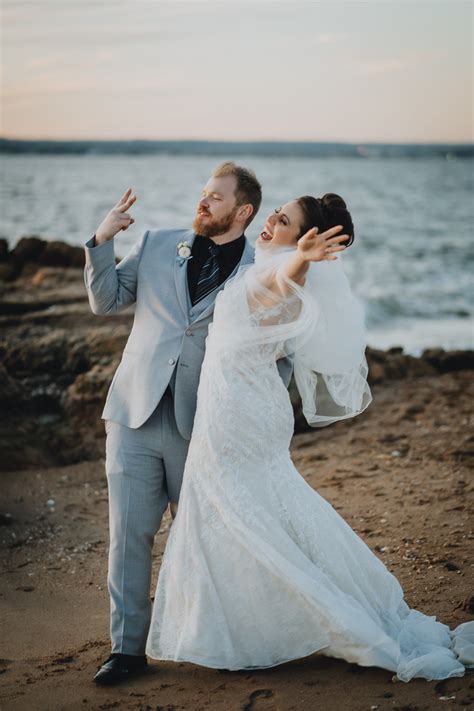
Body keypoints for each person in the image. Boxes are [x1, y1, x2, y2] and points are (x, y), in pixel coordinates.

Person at [144, 194, 474, 682]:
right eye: (275, 214)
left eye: (284, 222)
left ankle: (271, 624)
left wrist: (300, 256)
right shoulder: (263, 265)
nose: (271, 222)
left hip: (238, 413)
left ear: (303, 239)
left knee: (238, 511)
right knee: (257, 507)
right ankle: (244, 624)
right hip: (245, 404)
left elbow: (285, 280)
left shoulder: (283, 273)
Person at [84, 162, 294, 685]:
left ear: (243, 211)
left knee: (206, 538)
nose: (203, 203)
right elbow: (105, 301)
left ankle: (214, 638)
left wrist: (245, 410)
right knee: (129, 537)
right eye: (203, 193)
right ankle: (127, 651)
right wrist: (100, 240)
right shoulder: (157, 242)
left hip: (202, 427)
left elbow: (280, 354)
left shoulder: (260, 269)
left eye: (215, 198)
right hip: (134, 414)